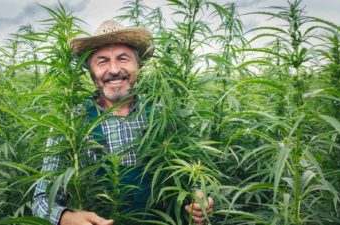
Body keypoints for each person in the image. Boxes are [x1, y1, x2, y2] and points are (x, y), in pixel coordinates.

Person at [32, 20, 214, 225]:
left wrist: (199, 197)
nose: (114, 69)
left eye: (123, 58)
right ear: (91, 73)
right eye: (102, 61)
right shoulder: (72, 122)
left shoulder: (163, 112)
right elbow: (41, 200)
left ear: (139, 65)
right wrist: (66, 218)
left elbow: (194, 176)